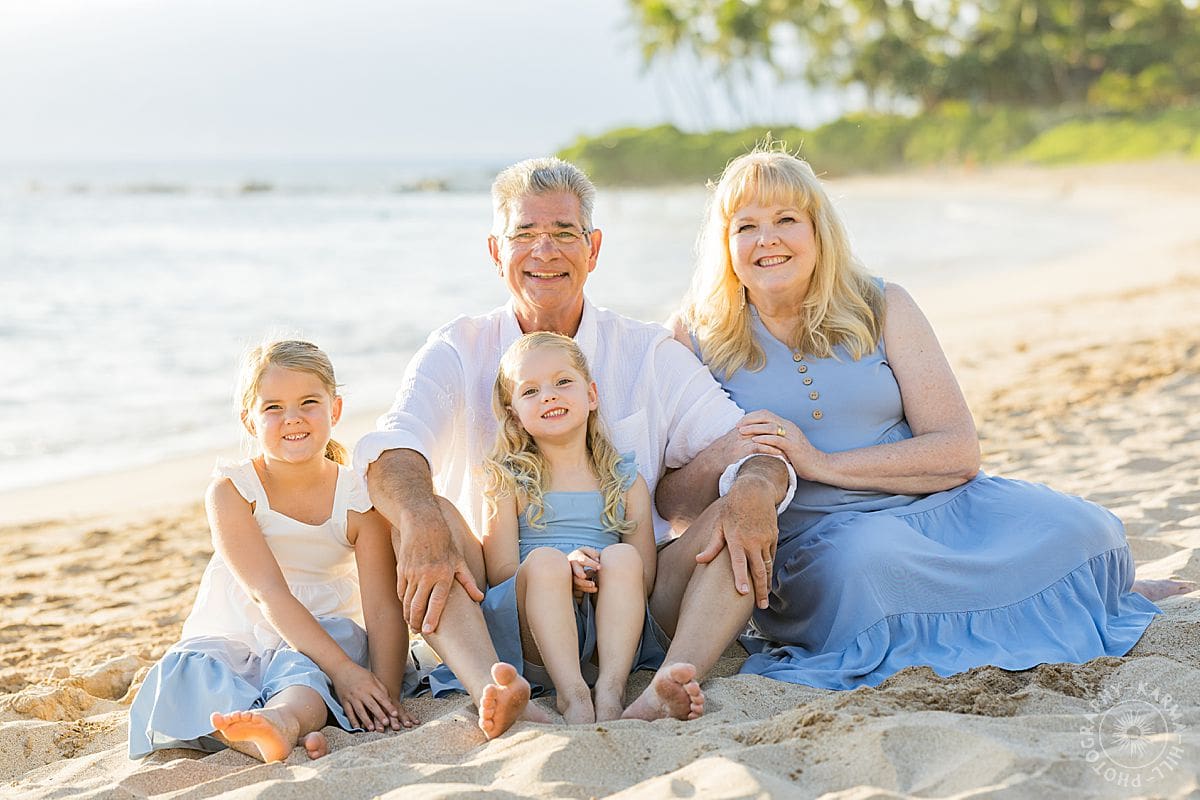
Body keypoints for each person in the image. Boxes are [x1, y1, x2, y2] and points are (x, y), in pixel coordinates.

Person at [668, 146, 1173, 688]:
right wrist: (735, 456)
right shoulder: (692, 337)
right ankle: (1035, 608)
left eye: (786, 219)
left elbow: (958, 453)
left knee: (1084, 529)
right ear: (726, 244)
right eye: (747, 226)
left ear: (818, 231)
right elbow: (673, 504)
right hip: (823, 543)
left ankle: (1060, 601)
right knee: (875, 566)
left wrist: (819, 461)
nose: (767, 239)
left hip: (946, 507)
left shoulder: (883, 306)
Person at [355, 157, 791, 737]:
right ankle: (499, 686)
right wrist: (417, 514)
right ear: (494, 251)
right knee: (410, 511)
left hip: (636, 604)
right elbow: (392, 450)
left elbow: (752, 445)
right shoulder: (459, 348)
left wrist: (757, 488)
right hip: (510, 610)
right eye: (524, 235)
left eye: (564, 233)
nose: (546, 251)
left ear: (594, 247)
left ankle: (673, 677)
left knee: (739, 514)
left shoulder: (647, 351)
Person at [129, 340, 415, 762]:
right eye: (273, 408)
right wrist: (344, 673)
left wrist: (382, 694)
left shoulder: (356, 498)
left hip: (319, 635)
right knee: (185, 671)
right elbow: (268, 594)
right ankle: (268, 734)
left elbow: (382, 608)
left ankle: (283, 721)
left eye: (308, 403)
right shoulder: (232, 491)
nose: (293, 418)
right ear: (249, 421)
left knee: (304, 669)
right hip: (240, 631)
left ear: (335, 410)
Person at [479, 332, 671, 724]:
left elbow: (645, 576)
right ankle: (572, 695)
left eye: (563, 381)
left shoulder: (624, 479)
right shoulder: (508, 480)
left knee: (622, 555)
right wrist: (562, 569)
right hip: (536, 634)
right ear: (514, 413)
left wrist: (597, 570)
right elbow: (499, 573)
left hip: (608, 634)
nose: (549, 395)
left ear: (592, 395)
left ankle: (611, 688)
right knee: (547, 562)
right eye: (530, 390)